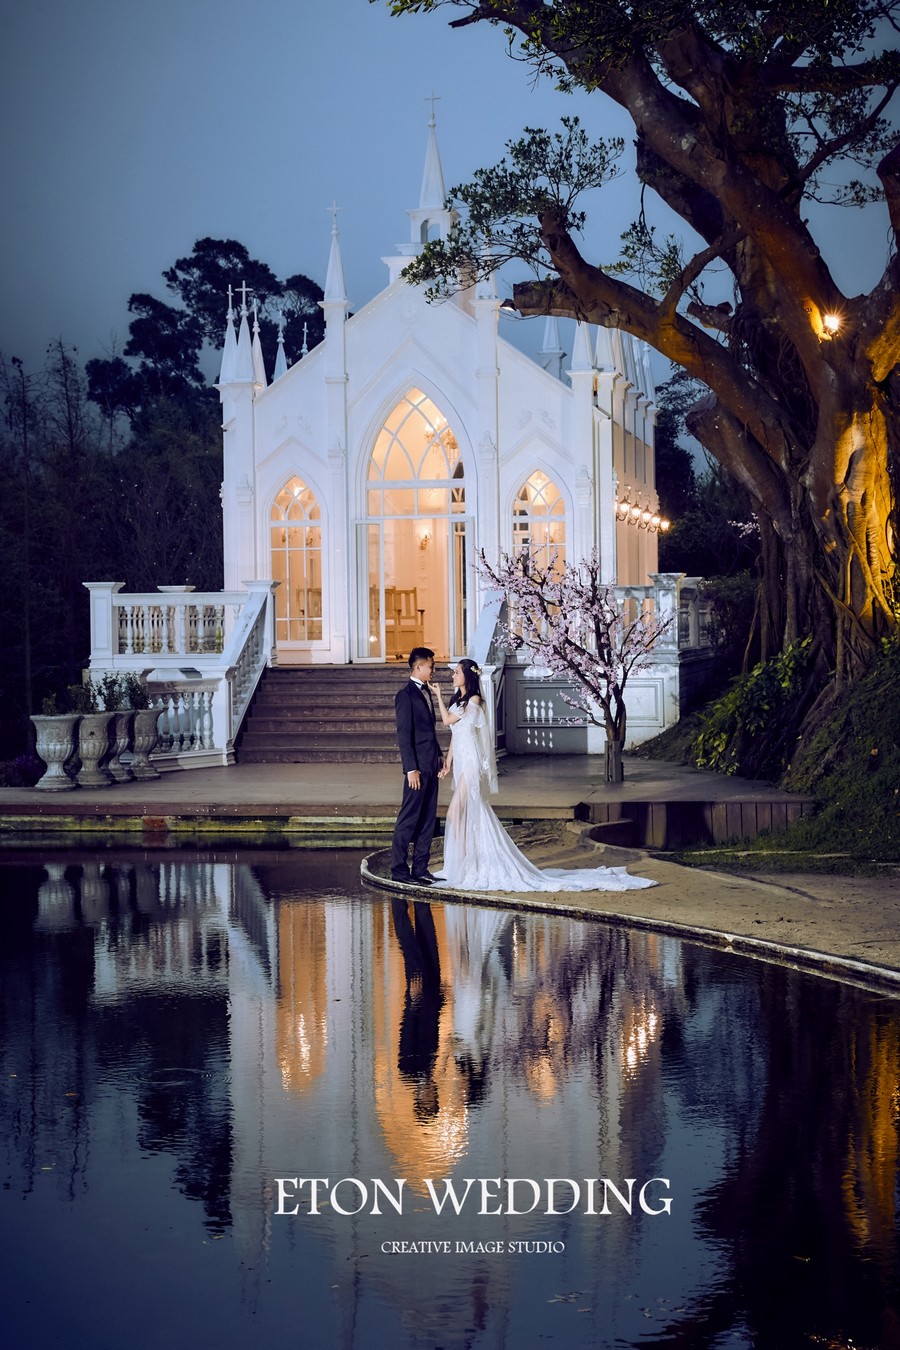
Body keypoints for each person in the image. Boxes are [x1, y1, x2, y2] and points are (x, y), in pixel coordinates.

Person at [430, 659, 657, 893]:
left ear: (467, 676)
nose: (453, 676)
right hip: (461, 763)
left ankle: (463, 864)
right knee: (463, 813)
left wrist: (437, 695)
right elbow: (456, 736)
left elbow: (447, 721)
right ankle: (465, 862)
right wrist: (447, 764)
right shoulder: (458, 701)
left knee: (456, 812)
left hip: (472, 764)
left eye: (456, 672)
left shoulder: (475, 701)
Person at [390, 647, 444, 885]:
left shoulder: (427, 692)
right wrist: (411, 768)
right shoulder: (405, 696)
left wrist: (440, 756)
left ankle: (420, 869)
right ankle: (399, 870)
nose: (434, 670)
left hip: (432, 764)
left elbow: (428, 732)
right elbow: (404, 735)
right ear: (419, 667)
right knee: (409, 819)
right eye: (432, 666)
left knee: (428, 819)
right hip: (417, 770)